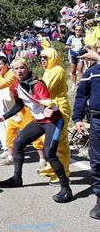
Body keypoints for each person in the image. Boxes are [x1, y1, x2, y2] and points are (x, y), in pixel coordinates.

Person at [0, 58, 73, 203]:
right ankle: (17, 179)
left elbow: (46, 100)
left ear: (27, 68)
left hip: (54, 121)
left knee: (49, 152)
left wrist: (49, 108)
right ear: (12, 70)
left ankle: (66, 189)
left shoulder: (37, 85)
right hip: (38, 121)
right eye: (16, 68)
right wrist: (3, 117)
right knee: (18, 143)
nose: (19, 71)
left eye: (22, 68)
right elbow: (19, 105)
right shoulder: (16, 86)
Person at [73, 38, 100, 219]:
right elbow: (81, 96)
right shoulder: (91, 72)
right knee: (97, 161)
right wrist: (77, 118)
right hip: (97, 120)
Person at [35, 48, 71, 185]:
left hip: (59, 109)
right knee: (48, 141)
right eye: (41, 58)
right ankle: (53, 168)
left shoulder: (57, 70)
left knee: (59, 142)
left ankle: (63, 174)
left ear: (53, 57)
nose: (43, 60)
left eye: (45, 57)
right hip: (50, 109)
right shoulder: (48, 71)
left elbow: (44, 89)